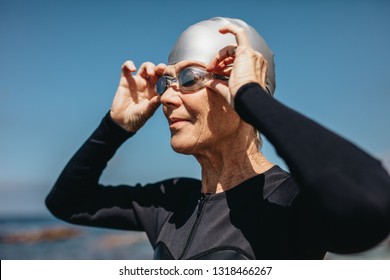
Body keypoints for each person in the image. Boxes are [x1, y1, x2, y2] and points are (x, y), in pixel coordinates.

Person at [45, 17, 390, 260]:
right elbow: (67, 203)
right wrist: (115, 126)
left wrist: (252, 97)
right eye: (167, 81)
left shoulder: (288, 204)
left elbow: (370, 207)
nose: (165, 98)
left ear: (235, 85)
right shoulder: (172, 204)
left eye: (190, 77)